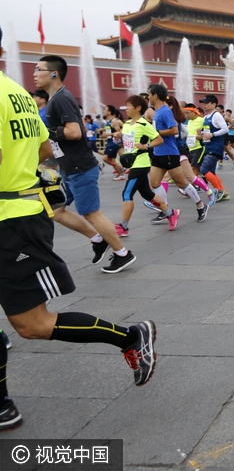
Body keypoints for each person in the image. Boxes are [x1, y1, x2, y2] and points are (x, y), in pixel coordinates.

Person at [0, 38, 158, 431]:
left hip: (11, 220)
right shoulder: (15, 93)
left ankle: (130, 336)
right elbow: (40, 149)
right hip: (19, 209)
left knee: (33, 324)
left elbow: (51, 143)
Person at [34, 56, 137, 273]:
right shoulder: (56, 99)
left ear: (54, 73)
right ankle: (98, 239)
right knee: (57, 211)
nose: (35, 73)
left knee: (92, 213)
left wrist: (46, 132)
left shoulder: (61, 99)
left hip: (80, 167)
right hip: (69, 168)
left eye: (39, 69)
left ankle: (122, 253)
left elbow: (74, 132)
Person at [146, 84, 209, 223]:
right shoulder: (157, 111)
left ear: (155, 95)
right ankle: (166, 210)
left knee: (182, 183)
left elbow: (174, 131)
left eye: (149, 94)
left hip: (169, 153)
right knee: (155, 183)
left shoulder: (165, 111)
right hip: (158, 152)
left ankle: (200, 206)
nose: (148, 97)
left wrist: (155, 132)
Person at [115, 95, 176, 236]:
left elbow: (159, 139)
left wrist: (146, 146)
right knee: (147, 194)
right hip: (132, 162)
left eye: (129, 105)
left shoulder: (144, 124)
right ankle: (170, 213)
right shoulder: (127, 124)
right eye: (126, 105)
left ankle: (123, 227)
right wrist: (119, 135)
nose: (127, 108)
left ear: (138, 108)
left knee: (127, 193)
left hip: (141, 163)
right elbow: (128, 140)